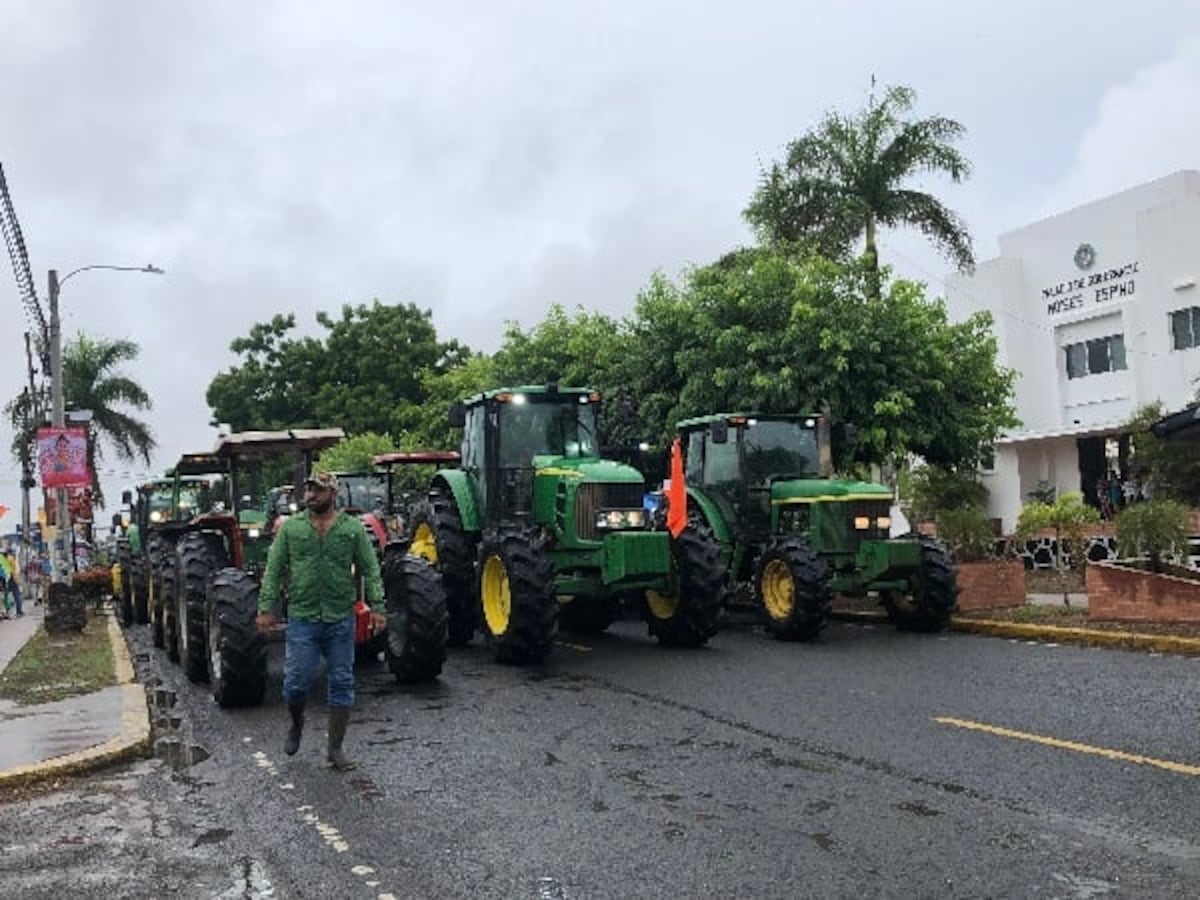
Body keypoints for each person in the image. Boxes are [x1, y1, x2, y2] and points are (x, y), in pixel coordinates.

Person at [255, 469, 386, 770]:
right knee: (296, 683)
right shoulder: (291, 529)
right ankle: (296, 725)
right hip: (303, 617)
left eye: (318, 491)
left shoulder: (351, 529)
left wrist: (378, 606)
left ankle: (335, 749)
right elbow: (274, 570)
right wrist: (266, 608)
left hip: (340, 617)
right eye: (308, 490)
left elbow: (370, 569)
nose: (310, 495)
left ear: (332, 494)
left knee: (341, 681)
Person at [5, 548, 22, 617]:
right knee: (16, 595)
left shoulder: (9, 559)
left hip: (11, 579)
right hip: (14, 579)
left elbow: (9, 570)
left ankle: (11, 611)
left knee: (8, 596)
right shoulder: (13, 559)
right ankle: (18, 611)